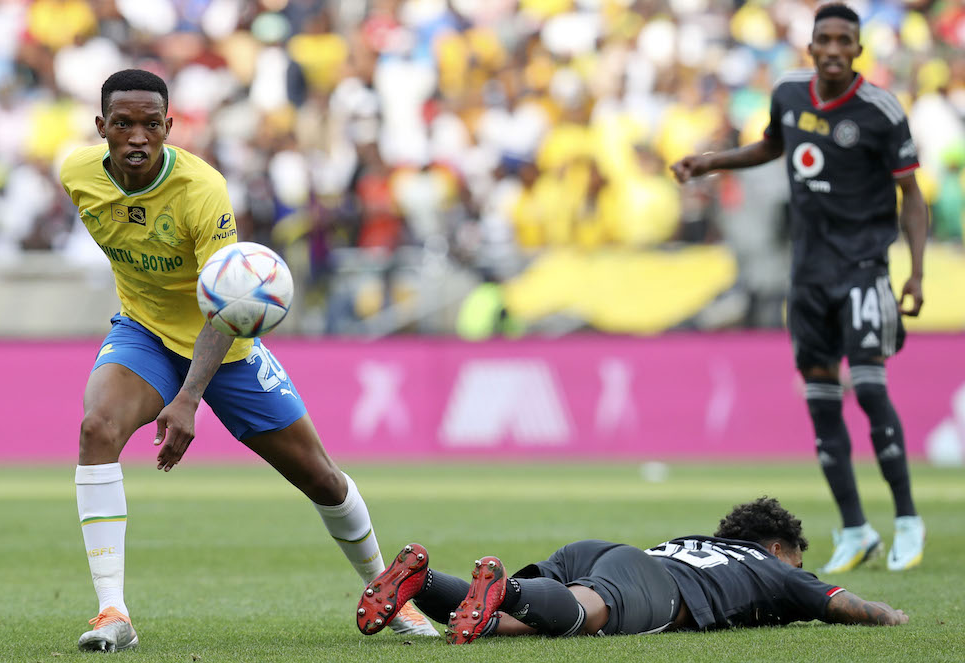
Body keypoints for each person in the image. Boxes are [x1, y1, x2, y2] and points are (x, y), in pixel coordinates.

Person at [59, 69, 438, 652]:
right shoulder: (77, 175)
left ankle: (392, 595)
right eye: (123, 124)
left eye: (151, 125)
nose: (137, 136)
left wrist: (188, 398)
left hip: (225, 342)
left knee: (320, 477)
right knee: (96, 429)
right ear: (101, 126)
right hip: (145, 332)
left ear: (168, 127)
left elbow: (227, 299)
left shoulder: (201, 189)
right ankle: (113, 612)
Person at [670, 3, 928, 573]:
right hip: (807, 274)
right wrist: (709, 162)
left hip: (863, 268)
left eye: (844, 40)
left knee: (870, 389)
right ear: (810, 47)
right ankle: (856, 529)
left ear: (857, 50)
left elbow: (911, 195)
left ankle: (908, 519)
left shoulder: (881, 110)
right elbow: (771, 145)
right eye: (824, 40)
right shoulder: (788, 93)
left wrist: (915, 271)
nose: (833, 49)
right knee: (821, 402)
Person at [355, 497, 909, 644]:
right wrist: (890, 616)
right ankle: (507, 588)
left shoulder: (696, 542)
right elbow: (839, 603)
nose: (801, 573)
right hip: (652, 582)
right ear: (777, 546)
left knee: (502, 622)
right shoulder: (773, 567)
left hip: (606, 554)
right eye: (798, 561)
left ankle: (422, 582)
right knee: (584, 617)